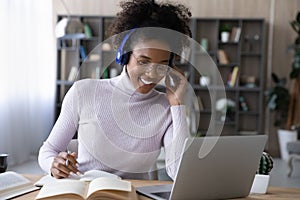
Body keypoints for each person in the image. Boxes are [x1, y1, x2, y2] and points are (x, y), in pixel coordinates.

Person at [38, 0, 192, 180]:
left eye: (162, 65)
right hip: (86, 191)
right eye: (143, 61)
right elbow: (48, 150)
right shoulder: (83, 92)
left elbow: (179, 172)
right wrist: (53, 164)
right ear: (123, 55)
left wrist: (178, 104)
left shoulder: (166, 107)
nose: (151, 73)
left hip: (133, 195)